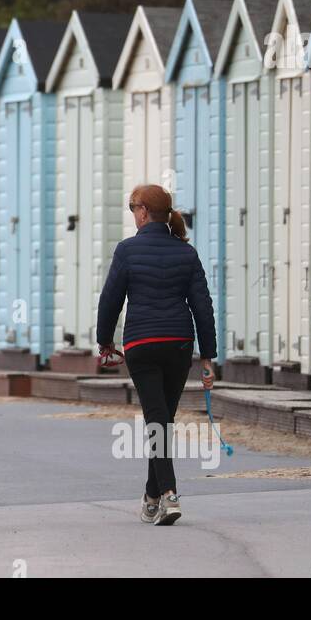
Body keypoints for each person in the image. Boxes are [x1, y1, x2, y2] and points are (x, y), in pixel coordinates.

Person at [97, 183, 217, 526]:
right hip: (179, 343)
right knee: (162, 418)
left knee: (157, 419)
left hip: (142, 345)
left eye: (133, 207)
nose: (132, 213)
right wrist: (207, 354)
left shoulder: (127, 251)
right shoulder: (187, 254)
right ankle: (152, 496)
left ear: (144, 212)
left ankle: (168, 493)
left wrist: (104, 341)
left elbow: (111, 300)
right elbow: (202, 306)